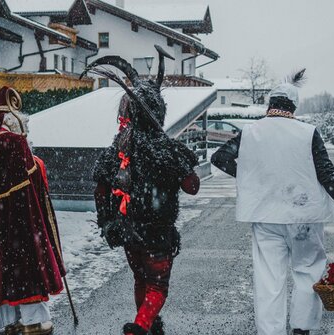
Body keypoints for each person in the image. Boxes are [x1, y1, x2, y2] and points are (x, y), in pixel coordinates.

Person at [211, 70, 334, 335]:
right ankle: (302, 328)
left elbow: (220, 158)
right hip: (304, 218)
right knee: (307, 272)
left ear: (270, 104)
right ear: (293, 105)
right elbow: (328, 174)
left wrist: (251, 176)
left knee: (269, 279)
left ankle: (271, 331)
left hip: (266, 217)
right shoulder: (307, 133)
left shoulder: (250, 133)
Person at [82, 48, 200, 335]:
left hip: (128, 229)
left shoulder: (118, 146)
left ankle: (147, 324)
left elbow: (100, 185)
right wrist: (181, 159)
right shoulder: (166, 148)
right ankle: (142, 324)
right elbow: (192, 186)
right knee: (158, 284)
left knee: (140, 279)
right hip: (157, 232)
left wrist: (107, 220)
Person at [0, 86, 66, 335]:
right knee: (25, 267)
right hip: (20, 220)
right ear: (14, 119)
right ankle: (33, 322)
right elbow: (33, 179)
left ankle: (7, 323)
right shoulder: (17, 142)